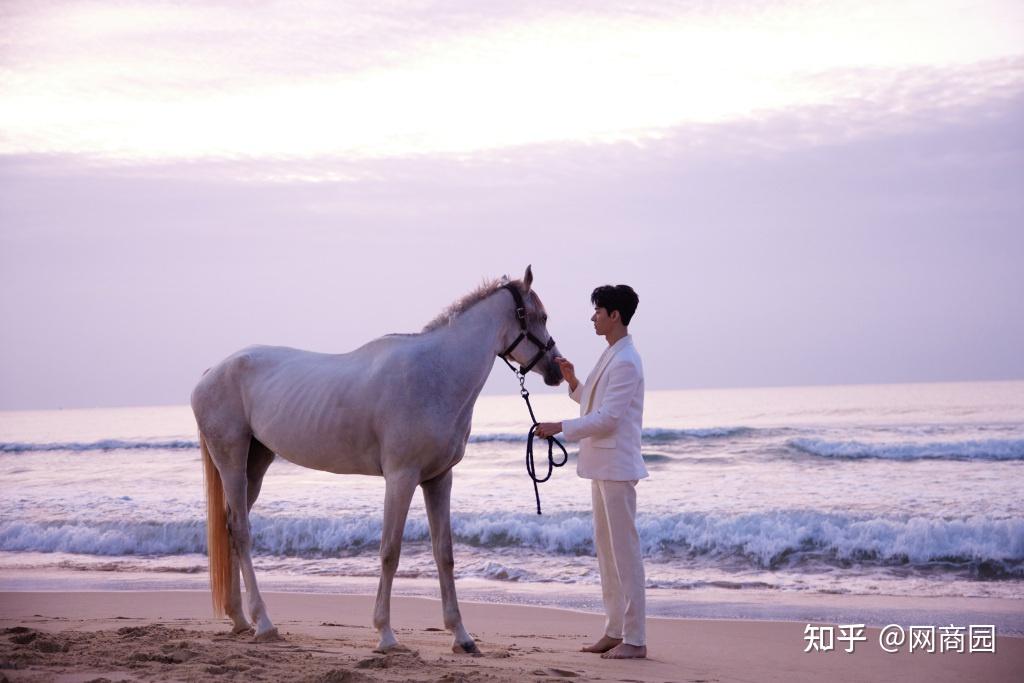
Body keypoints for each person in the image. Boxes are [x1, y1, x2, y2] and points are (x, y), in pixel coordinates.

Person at [534, 284, 647, 660]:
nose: (593, 317)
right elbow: (595, 405)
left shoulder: (627, 360)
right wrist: (573, 383)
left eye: (598, 311)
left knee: (624, 554)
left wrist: (560, 427)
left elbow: (609, 418)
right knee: (607, 553)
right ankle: (615, 630)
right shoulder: (612, 354)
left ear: (615, 315)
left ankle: (635, 639)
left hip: (617, 467)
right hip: (602, 466)